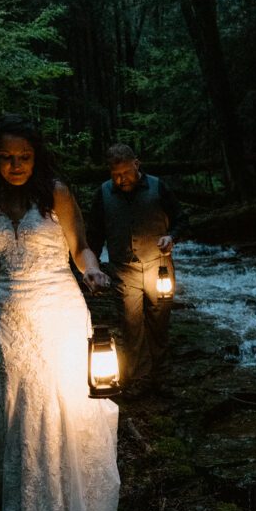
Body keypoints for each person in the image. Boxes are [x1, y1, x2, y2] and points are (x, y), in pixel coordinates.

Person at [0, 114, 120, 511]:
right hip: (10, 316)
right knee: (21, 411)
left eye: (23, 157)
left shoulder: (55, 194)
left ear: (36, 157)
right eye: (6, 158)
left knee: (58, 407)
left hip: (57, 308)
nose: (15, 165)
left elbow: (80, 247)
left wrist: (93, 270)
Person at [86, 143, 187, 395]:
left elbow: (181, 219)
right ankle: (139, 378)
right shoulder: (103, 194)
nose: (121, 179)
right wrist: (92, 267)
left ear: (136, 165)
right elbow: (95, 233)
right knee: (131, 325)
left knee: (159, 321)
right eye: (115, 175)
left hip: (159, 267)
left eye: (126, 173)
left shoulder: (158, 186)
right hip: (123, 270)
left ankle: (160, 376)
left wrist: (171, 237)